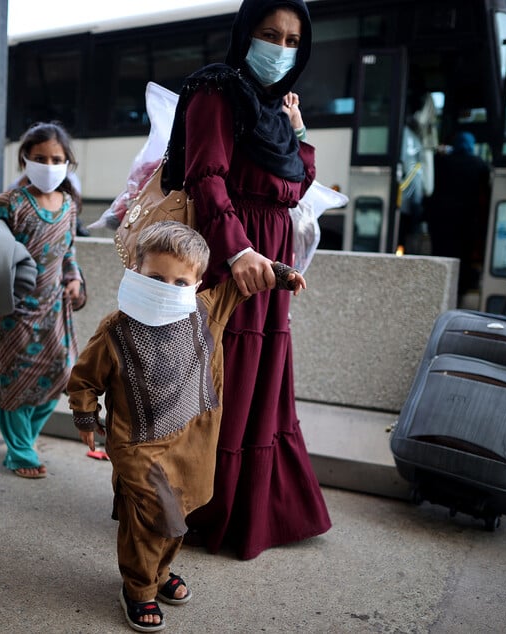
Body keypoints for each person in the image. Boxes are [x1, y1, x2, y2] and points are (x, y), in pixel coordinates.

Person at [67, 221, 306, 632]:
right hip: (137, 443)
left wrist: (281, 274)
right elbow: (86, 378)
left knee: (180, 512)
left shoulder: (206, 309)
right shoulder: (115, 329)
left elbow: (245, 281)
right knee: (148, 516)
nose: (167, 287)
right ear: (135, 271)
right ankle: (138, 588)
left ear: (196, 284)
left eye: (180, 281)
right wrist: (85, 415)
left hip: (192, 439)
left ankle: (160, 573)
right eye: (156, 278)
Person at [161, 0, 332, 559]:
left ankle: (247, 511)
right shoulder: (217, 89)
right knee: (222, 379)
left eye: (291, 40)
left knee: (257, 380)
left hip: (268, 260)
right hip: (228, 258)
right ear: (245, 33)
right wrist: (237, 253)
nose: (280, 48)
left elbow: (296, 186)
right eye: (269, 33)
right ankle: (200, 509)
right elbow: (206, 176)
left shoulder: (272, 110)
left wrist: (297, 130)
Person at [0, 121, 85, 478]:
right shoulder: (12, 202)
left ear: (67, 162)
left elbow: (68, 249)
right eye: (40, 157)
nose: (49, 165)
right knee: (15, 380)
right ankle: (20, 452)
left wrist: (73, 278)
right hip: (16, 311)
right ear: (25, 159)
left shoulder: (69, 204)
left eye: (56, 158)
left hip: (56, 309)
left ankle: (25, 440)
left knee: (62, 375)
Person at [425, 131, 491, 296]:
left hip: (441, 222)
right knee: (462, 261)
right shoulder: (479, 164)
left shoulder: (442, 162)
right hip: (466, 223)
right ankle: (457, 293)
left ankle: (437, 291)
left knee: (440, 256)